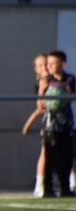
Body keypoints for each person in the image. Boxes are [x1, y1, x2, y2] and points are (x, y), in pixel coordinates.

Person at [37, 50, 75, 198]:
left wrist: (65, 95)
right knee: (50, 156)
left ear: (62, 64)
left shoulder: (70, 79)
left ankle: (65, 188)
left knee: (66, 156)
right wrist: (42, 90)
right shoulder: (45, 81)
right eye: (49, 64)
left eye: (53, 63)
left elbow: (71, 97)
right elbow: (40, 104)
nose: (50, 66)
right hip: (50, 125)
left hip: (65, 123)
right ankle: (47, 189)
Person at [21, 53, 48, 198]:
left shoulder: (61, 80)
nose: (44, 68)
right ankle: (39, 185)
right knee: (45, 152)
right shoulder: (40, 84)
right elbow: (40, 106)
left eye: (46, 64)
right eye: (40, 66)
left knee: (69, 153)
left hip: (65, 121)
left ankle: (71, 183)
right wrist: (27, 125)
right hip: (49, 122)